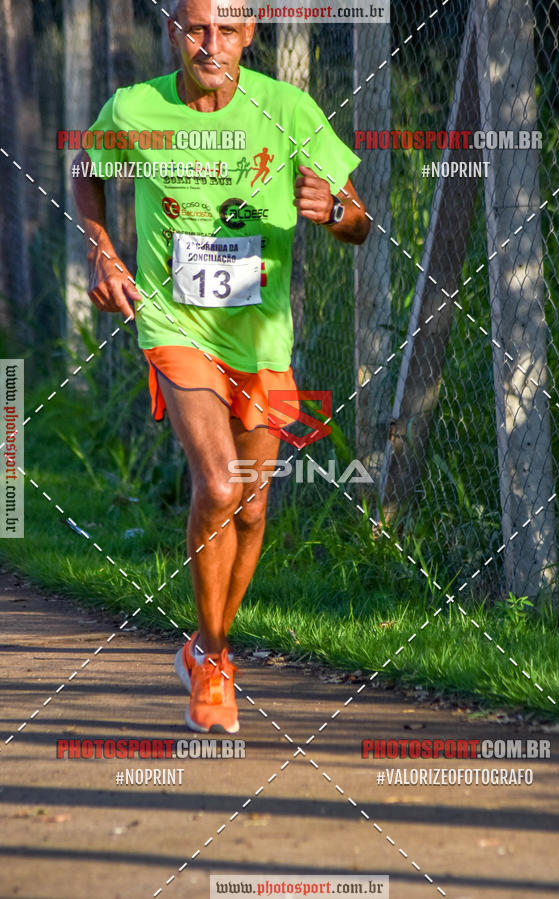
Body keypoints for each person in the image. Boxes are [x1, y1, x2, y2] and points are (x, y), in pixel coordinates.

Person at [72, 0, 370, 734]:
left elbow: (360, 222)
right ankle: (211, 657)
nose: (211, 43)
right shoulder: (135, 107)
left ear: (249, 35)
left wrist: (334, 211)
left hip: (262, 339)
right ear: (174, 30)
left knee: (254, 505)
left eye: (227, 30)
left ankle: (208, 643)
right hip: (175, 324)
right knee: (215, 482)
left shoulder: (288, 109)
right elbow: (86, 168)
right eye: (196, 28)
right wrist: (103, 250)